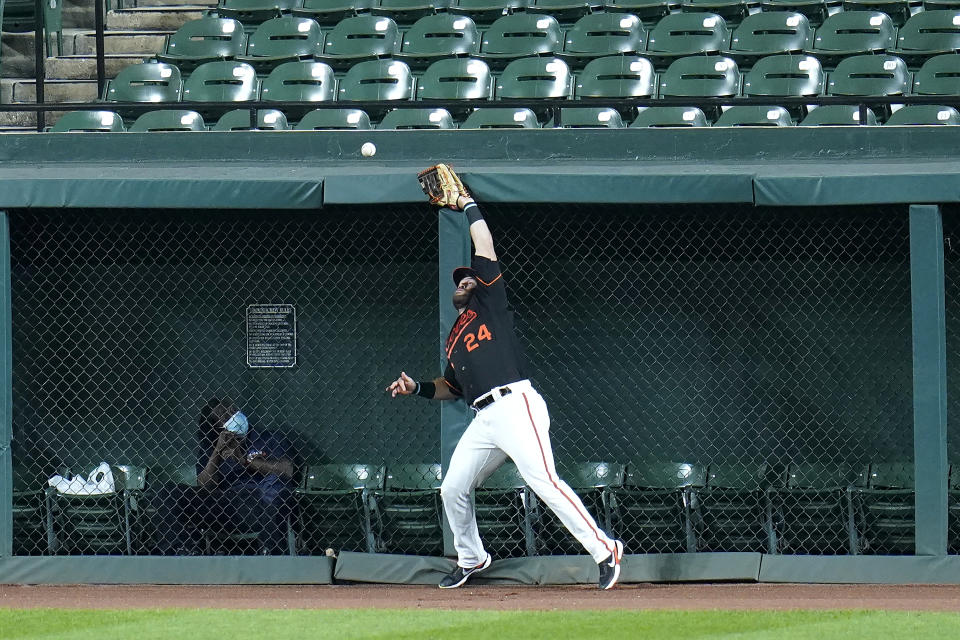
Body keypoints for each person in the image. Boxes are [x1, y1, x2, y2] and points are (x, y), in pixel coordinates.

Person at [386, 167, 624, 590]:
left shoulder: (491, 301)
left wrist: (467, 205)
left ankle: (606, 550)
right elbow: (452, 388)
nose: (465, 280)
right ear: (455, 293)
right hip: (484, 418)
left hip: (516, 404)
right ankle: (472, 558)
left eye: (470, 277)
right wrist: (417, 388)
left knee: (544, 481)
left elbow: (484, 243)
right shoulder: (454, 339)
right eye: (460, 279)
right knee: (451, 489)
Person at [150, 398, 296, 555]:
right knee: (166, 491)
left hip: (259, 501)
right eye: (225, 416)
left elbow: (287, 470)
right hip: (224, 503)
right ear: (217, 427)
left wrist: (246, 461)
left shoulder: (269, 438)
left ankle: (270, 551)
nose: (233, 415)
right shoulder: (212, 447)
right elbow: (204, 486)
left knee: (275, 482)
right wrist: (217, 453)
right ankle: (182, 550)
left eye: (233, 410)